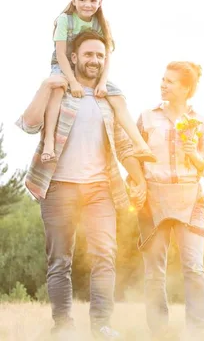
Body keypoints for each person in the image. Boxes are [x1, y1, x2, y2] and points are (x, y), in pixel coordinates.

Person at [15, 28, 146, 340]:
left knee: (105, 256)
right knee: (60, 260)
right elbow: (29, 124)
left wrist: (139, 180)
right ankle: (63, 327)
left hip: (100, 189)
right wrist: (46, 85)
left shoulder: (109, 95)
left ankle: (101, 325)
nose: (95, 60)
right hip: (59, 187)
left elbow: (124, 145)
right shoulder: (58, 89)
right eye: (88, 54)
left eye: (100, 55)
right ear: (73, 57)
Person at [132, 61, 204, 339]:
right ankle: (158, 332)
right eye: (163, 79)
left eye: (170, 81)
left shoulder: (202, 123)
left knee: (194, 267)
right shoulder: (145, 118)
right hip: (152, 201)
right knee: (155, 271)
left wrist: (194, 154)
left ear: (186, 88)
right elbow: (132, 157)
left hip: (190, 201)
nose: (163, 84)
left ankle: (197, 333)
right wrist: (136, 185)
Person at [41, 0, 155, 164]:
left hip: (90, 67)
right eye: (83, 0)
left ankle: (140, 143)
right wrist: (72, 81)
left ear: (100, 2)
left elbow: (107, 56)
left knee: (116, 95)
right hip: (64, 66)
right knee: (56, 90)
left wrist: (102, 82)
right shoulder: (64, 20)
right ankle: (49, 142)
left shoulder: (101, 23)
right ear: (74, 1)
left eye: (93, 0)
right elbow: (61, 54)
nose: (88, 5)